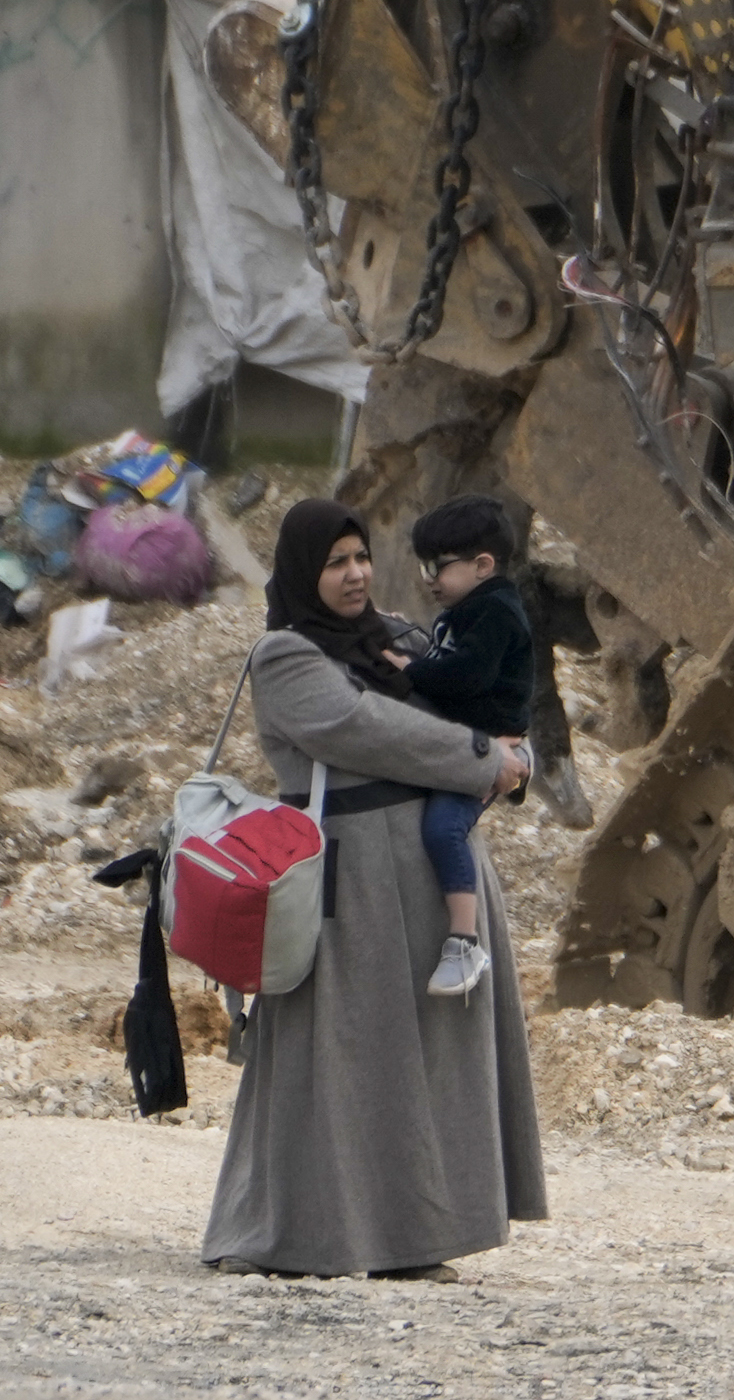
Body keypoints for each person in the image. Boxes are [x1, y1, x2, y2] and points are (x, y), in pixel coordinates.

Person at [200, 498, 546, 1280]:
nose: (355, 574)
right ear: (302, 573)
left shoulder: (394, 638)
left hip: (428, 877)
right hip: (347, 884)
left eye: (361, 557)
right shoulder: (286, 657)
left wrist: (504, 746)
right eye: (334, 563)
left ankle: (412, 1241)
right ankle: (287, 1236)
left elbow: (485, 691)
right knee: (338, 1060)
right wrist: (481, 755)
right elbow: (365, 730)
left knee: (426, 1062)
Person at [397, 493, 538, 1000]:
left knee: (443, 829)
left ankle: (464, 941)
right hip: (466, 744)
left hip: (489, 748)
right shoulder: (462, 611)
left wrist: (410, 670)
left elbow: (466, 677)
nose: (429, 578)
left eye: (439, 567)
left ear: (483, 565)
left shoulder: (496, 613)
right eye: (423, 566)